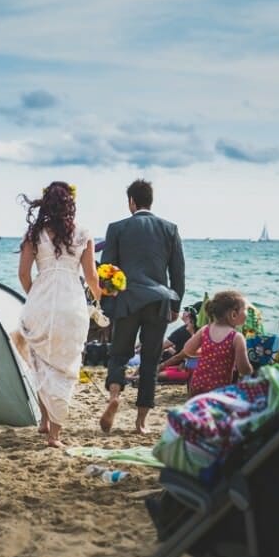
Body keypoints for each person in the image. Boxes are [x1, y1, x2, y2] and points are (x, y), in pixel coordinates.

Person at [18, 182, 101, 448]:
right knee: (65, 366)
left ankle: (44, 420)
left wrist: (36, 296)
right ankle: (54, 433)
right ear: (70, 204)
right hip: (71, 302)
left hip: (40, 300)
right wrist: (102, 301)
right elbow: (90, 277)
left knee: (42, 361)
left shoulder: (34, 234)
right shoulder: (85, 234)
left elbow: (23, 275)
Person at [99, 179, 185, 434]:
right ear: (150, 201)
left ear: (131, 202)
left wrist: (108, 306)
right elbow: (178, 272)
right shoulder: (169, 229)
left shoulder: (117, 228)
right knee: (150, 359)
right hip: (158, 301)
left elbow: (107, 271)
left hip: (127, 300)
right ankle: (141, 423)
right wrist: (176, 305)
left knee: (119, 353)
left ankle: (114, 395)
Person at [180, 291, 253, 397]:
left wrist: (207, 353)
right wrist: (252, 372)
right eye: (246, 309)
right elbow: (243, 369)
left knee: (199, 412)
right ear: (233, 314)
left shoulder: (205, 330)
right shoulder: (236, 337)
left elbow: (187, 350)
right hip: (219, 388)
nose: (248, 312)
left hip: (197, 383)